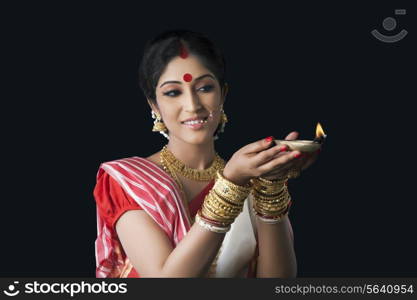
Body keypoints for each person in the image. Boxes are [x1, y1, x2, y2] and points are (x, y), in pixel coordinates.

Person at [93, 29, 319, 278]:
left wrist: (271, 186)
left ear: (223, 94)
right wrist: (230, 185)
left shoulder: (251, 177)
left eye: (204, 88)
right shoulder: (130, 181)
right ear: (153, 105)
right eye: (173, 92)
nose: (192, 105)